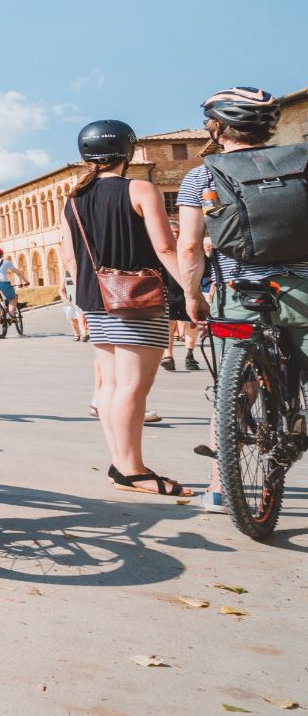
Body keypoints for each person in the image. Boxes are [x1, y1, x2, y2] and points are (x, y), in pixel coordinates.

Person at [174, 86, 308, 513]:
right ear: (268, 127)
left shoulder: (202, 176)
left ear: (216, 127)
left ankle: (219, 486)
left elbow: (191, 248)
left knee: (234, 390)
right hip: (302, 292)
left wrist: (192, 296)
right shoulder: (303, 165)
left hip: (241, 295)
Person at [63, 119, 190, 497]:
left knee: (111, 383)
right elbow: (166, 248)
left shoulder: (73, 199)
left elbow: (71, 260)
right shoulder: (141, 189)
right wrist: (192, 290)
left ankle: (121, 463)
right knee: (133, 386)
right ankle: (132, 469)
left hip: (95, 299)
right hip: (136, 300)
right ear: (127, 151)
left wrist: (89, 293)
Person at [0, 248, 25, 329]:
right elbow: (18, 273)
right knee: (12, 298)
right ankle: (11, 315)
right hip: (3, 283)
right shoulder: (6, 262)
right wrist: (26, 281)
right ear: (2, 254)